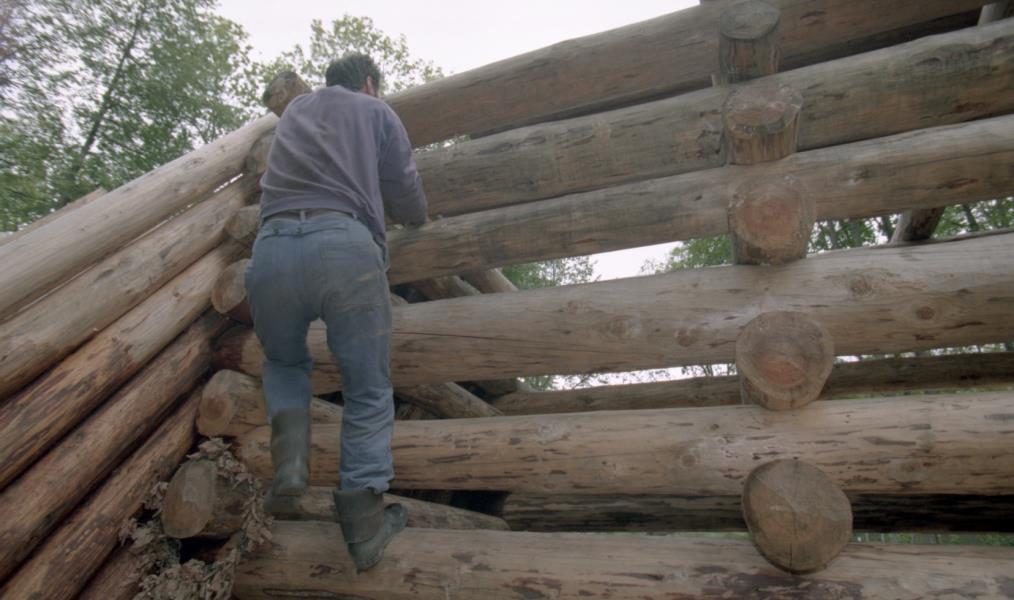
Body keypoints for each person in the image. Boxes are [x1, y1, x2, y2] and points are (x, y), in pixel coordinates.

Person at [246, 53, 427, 571]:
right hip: (344, 246)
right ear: (369, 83)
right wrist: (417, 217)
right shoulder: (376, 110)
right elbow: (403, 185)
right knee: (367, 386)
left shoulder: (294, 113)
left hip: (271, 249)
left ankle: (290, 470)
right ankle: (364, 526)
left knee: (284, 363)